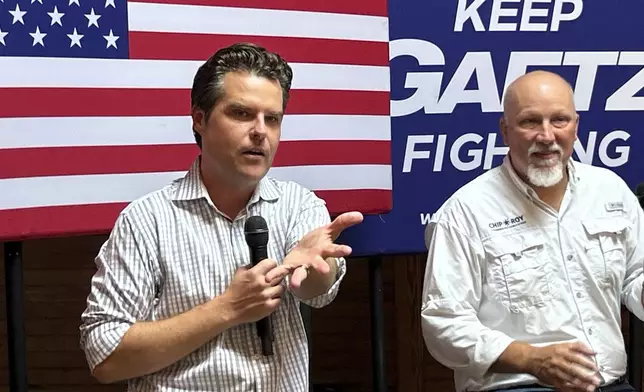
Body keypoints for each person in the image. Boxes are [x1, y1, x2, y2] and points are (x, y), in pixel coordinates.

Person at [79, 42, 363, 391]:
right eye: (242, 114)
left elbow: (316, 288)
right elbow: (105, 357)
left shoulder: (298, 204)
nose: (260, 131)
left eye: (271, 118)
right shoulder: (145, 221)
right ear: (199, 119)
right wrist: (227, 309)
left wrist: (316, 269)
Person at [420, 70, 644, 392]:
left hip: (611, 384)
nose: (547, 135)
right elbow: (444, 323)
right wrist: (529, 358)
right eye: (530, 122)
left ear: (576, 127)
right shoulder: (465, 212)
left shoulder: (609, 190)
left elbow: (635, 277)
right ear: (505, 131)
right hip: (516, 386)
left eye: (559, 120)